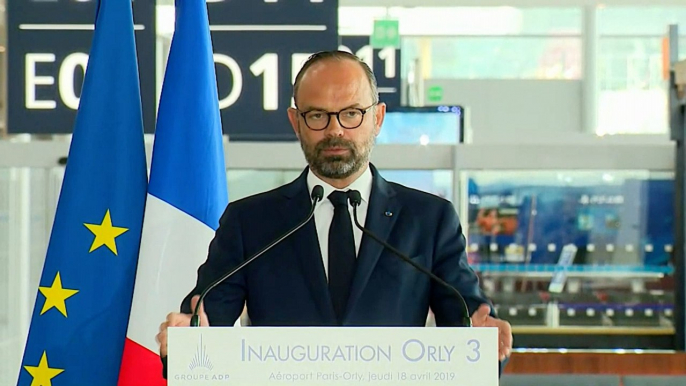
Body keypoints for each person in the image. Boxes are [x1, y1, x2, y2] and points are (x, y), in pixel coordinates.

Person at [157, 50, 512, 372]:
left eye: (352, 114)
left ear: (378, 117)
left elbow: (468, 320)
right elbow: (205, 322)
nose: (335, 130)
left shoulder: (430, 219)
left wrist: (484, 342)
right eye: (317, 116)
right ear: (296, 122)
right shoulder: (249, 222)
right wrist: (186, 343)